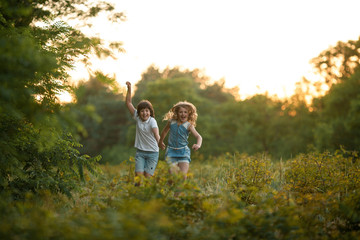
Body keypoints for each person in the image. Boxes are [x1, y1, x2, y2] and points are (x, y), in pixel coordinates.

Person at [125, 81, 160, 184]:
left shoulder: (152, 121)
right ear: (139, 113)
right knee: (138, 179)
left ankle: (147, 198)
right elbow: (128, 103)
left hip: (153, 153)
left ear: (150, 112)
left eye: (147, 110)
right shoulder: (137, 118)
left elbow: (156, 134)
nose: (145, 113)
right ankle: (137, 196)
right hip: (140, 152)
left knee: (148, 179)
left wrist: (160, 142)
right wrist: (129, 88)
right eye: (142, 111)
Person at [158, 101, 202, 180]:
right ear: (177, 113)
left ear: (189, 114)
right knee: (172, 176)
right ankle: (169, 187)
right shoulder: (171, 122)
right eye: (180, 112)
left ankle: (177, 192)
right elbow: (164, 131)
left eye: (185, 112)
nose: (183, 114)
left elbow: (198, 136)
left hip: (183, 152)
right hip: (171, 152)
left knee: (183, 177)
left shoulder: (189, 126)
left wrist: (198, 145)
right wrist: (160, 141)